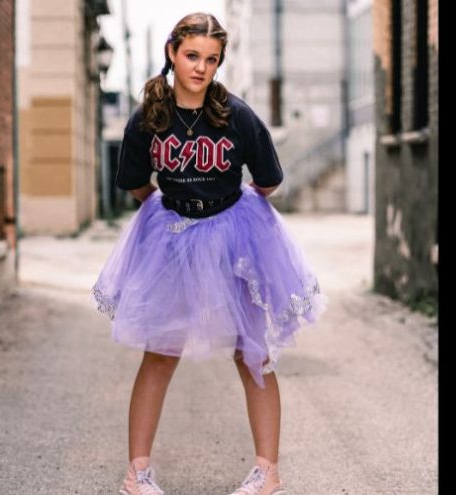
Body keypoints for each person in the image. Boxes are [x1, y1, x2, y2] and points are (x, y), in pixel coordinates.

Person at [92, 12, 325, 495]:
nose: (200, 67)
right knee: (159, 352)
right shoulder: (148, 119)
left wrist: (226, 204)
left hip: (237, 232)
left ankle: (268, 472)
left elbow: (269, 180)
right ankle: (137, 473)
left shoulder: (235, 114)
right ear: (173, 53)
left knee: (253, 351)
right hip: (172, 233)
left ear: (219, 63)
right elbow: (137, 184)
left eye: (211, 59)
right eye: (192, 55)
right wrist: (178, 206)